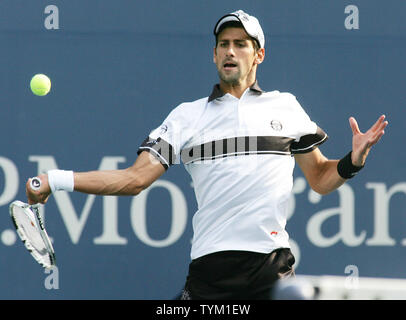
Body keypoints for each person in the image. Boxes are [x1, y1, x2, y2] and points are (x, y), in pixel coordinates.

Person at [26, 10, 388, 299]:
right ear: (215, 54)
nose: (231, 51)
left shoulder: (287, 107)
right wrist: (55, 180)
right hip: (209, 271)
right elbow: (134, 179)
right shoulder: (186, 116)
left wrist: (352, 161)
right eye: (224, 44)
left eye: (241, 44)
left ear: (258, 54)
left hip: (270, 267)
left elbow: (321, 178)